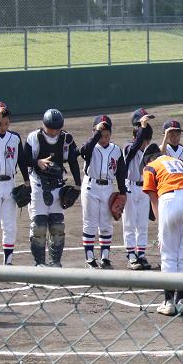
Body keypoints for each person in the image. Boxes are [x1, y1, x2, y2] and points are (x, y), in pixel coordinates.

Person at [142, 145, 183, 316]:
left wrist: (161, 227)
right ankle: (181, 302)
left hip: (170, 200)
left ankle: (168, 302)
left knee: (168, 254)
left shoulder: (150, 166)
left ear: (148, 159)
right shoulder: (177, 161)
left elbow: (154, 199)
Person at [24, 109, 81, 268]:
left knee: (57, 227)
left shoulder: (66, 139)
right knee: (39, 227)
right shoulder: (34, 137)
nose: (54, 132)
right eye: (51, 129)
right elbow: (24, 159)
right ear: (44, 125)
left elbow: (72, 161)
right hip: (38, 185)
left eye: (57, 129)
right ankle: (40, 263)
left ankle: (55, 262)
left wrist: (78, 185)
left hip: (57, 186)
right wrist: (37, 162)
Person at [0, 101, 31, 266]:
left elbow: (21, 160)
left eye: (7, 122)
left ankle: (8, 262)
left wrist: (27, 181)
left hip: (9, 184)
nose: (5, 125)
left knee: (9, 225)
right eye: (2, 122)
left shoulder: (14, 137)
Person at [79, 115, 126, 269]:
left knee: (106, 224)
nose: (104, 138)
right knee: (90, 222)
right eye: (101, 135)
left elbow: (121, 172)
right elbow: (84, 150)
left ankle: (105, 258)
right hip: (90, 187)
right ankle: (89, 258)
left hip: (107, 188)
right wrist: (97, 134)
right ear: (94, 132)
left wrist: (123, 192)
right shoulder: (91, 146)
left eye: (107, 135)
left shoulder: (116, 150)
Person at [122, 108, 158, 270]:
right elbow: (135, 147)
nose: (145, 144)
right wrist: (142, 128)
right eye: (144, 140)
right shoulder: (128, 147)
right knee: (130, 223)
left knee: (142, 224)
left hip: (144, 188)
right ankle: (131, 255)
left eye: (147, 141)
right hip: (130, 187)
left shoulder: (148, 150)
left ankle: (141, 254)